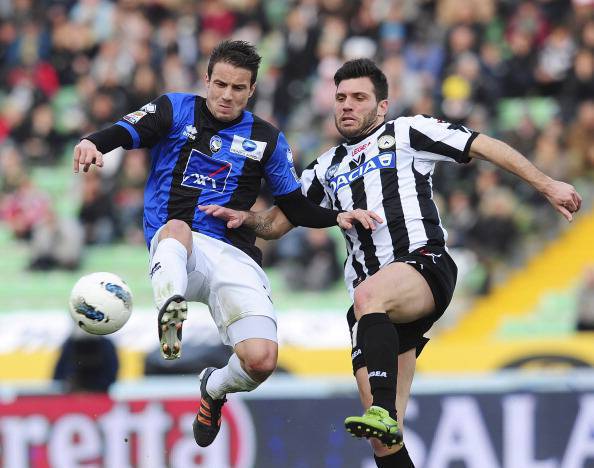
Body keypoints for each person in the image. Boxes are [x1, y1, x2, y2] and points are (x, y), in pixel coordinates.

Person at [199, 58, 582, 467]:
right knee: (383, 440)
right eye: (341, 98)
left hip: (422, 265)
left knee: (369, 303)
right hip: (373, 313)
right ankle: (385, 416)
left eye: (359, 97)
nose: (347, 105)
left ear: (382, 106)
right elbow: (277, 223)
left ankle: (382, 408)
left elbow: (482, 144)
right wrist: (245, 218)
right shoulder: (323, 168)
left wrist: (546, 184)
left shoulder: (407, 131)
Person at [72, 41, 379, 448]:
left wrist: (335, 216)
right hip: (179, 251)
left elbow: (293, 206)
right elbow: (126, 131)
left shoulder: (267, 139)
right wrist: (94, 142)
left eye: (237, 88)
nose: (227, 95)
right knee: (176, 228)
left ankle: (214, 388)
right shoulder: (175, 109)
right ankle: (170, 308)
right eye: (220, 85)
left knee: (261, 360)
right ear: (207, 81)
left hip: (235, 256)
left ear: (251, 90)